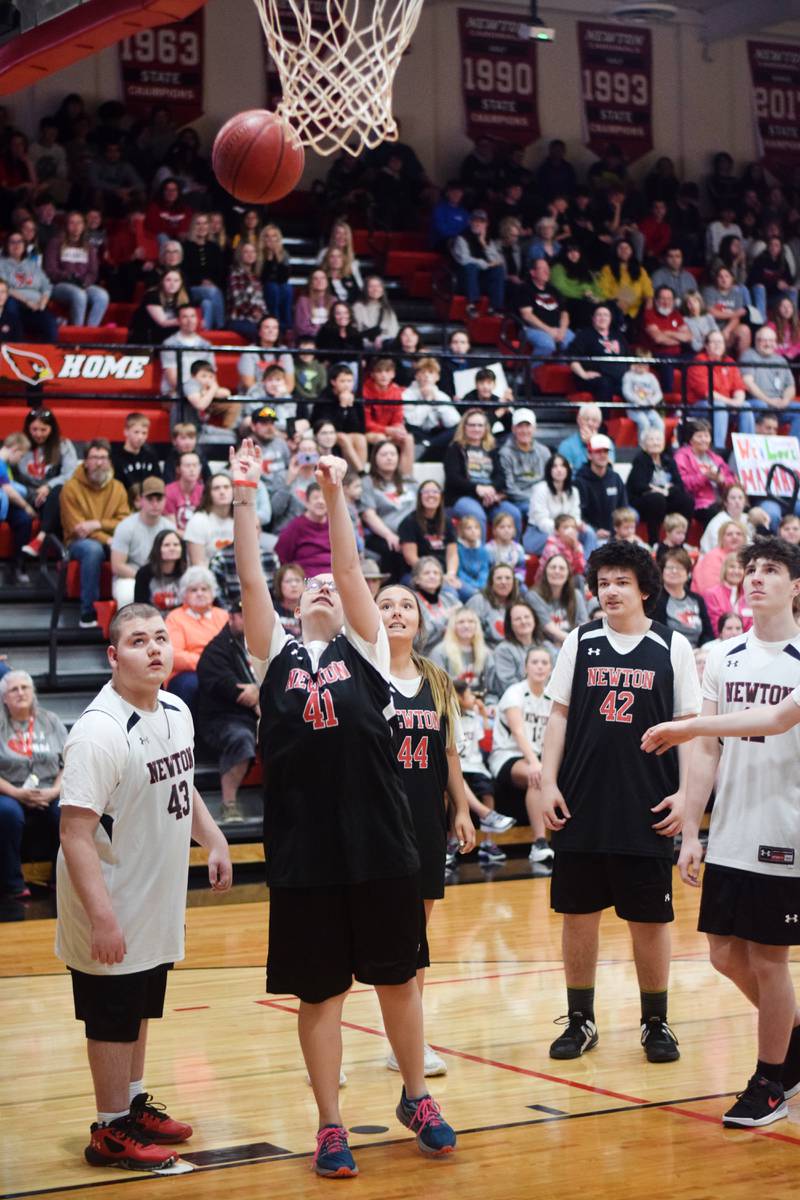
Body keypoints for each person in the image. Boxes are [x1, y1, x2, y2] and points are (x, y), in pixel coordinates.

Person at [231, 439, 460, 1175]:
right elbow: (250, 583)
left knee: (397, 976)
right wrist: (244, 497)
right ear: (295, 604)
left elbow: (352, 567)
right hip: (306, 849)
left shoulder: (365, 649)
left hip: (381, 843)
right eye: (312, 587)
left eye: (334, 585)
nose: (325, 588)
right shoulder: (276, 655)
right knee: (321, 992)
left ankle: (416, 1094)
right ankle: (331, 1124)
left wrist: (334, 493)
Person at [55, 602, 231, 1169]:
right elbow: (74, 834)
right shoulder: (98, 733)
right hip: (110, 900)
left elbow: (184, 784)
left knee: (139, 1006)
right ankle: (109, 1130)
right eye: (138, 641)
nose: (155, 648)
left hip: (156, 895)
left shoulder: (177, 708)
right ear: (113, 655)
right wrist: (102, 917)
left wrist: (214, 839)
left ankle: (131, 1105)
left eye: (160, 637)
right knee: (111, 1014)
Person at [641, 538, 800, 1127]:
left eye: (772, 571)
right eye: (751, 569)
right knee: (723, 954)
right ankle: (792, 1041)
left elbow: (778, 718)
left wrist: (689, 724)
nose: (756, 578)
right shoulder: (726, 656)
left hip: (786, 828)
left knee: (767, 957)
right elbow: (708, 748)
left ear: (796, 587)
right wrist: (690, 825)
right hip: (732, 824)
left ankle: (769, 1083)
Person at [539, 541, 701, 1064]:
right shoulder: (579, 641)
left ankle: (656, 1022)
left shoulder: (672, 646)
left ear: (645, 590)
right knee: (578, 916)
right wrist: (547, 782)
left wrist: (687, 797)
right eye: (603, 582)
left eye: (620, 582)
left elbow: (691, 732)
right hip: (581, 804)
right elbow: (558, 717)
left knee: (650, 922)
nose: (609, 591)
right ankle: (581, 1019)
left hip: (647, 806)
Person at [375, 583, 475, 1077]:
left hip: (427, 821)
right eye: (386, 605)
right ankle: (325, 1036)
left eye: (406, 605)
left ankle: (406, 1043)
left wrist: (461, 808)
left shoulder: (437, 678)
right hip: (377, 823)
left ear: (420, 619)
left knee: (417, 937)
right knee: (365, 936)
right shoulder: (363, 675)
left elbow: (450, 753)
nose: (397, 613)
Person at [0, 671, 67, 900]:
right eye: (13, 689)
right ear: (4, 698)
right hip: (9, 789)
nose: (20, 693)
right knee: (7, 812)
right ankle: (12, 885)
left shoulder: (51, 721)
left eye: (25, 688)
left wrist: (55, 791)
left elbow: (67, 764)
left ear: (33, 692)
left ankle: (62, 879)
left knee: (66, 809)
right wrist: (17, 793)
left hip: (49, 788)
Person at [489, 647, 556, 864]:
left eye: (544, 663)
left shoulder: (552, 697)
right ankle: (539, 843)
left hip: (539, 757)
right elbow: (518, 732)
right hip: (507, 756)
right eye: (534, 662)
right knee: (536, 776)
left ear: (551, 668)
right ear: (525, 667)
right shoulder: (514, 693)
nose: (539, 666)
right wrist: (537, 763)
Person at [196, 600, 259, 823]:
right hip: (222, 718)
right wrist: (258, 696)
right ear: (231, 617)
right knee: (240, 738)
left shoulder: (261, 642)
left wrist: (260, 692)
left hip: (259, 715)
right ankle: (229, 804)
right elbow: (234, 690)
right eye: (242, 615)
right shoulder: (216, 650)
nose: (248, 619)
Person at [60, 441, 130, 628]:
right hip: (77, 543)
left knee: (134, 546)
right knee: (93, 550)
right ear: (85, 461)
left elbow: (124, 521)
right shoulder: (71, 487)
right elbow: (77, 528)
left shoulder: (118, 487)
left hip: (111, 539)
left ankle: (129, 611)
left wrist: (97, 524)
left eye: (103, 458)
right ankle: (87, 612)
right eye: (94, 458)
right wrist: (106, 538)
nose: (99, 463)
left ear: (109, 461)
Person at [444, 409, 520, 539]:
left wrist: (491, 490)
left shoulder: (492, 448)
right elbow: (453, 478)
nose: (476, 429)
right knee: (477, 516)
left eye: (480, 425)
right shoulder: (455, 449)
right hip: (463, 496)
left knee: (514, 513)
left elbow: (501, 476)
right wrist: (477, 489)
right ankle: (480, 558)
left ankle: (512, 555)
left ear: (486, 428)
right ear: (464, 427)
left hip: (490, 496)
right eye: (472, 425)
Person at [164, 567, 229, 712]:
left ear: (212, 593)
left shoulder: (223, 616)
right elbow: (175, 655)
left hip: (221, 670)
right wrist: (209, 663)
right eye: (193, 590)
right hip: (186, 673)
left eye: (204, 589)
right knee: (194, 685)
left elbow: (233, 649)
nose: (199, 593)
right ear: (184, 595)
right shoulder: (175, 617)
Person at [110, 477, 173, 607]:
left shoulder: (170, 527)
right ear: (141, 500)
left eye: (159, 499)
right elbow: (117, 565)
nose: (155, 504)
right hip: (130, 577)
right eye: (150, 499)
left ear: (165, 500)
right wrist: (144, 578)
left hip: (163, 577)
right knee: (127, 594)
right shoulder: (125, 526)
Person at [360, 441, 418, 577]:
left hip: (412, 533)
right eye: (384, 454)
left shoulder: (410, 481)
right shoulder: (367, 482)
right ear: (375, 458)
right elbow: (369, 515)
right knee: (392, 548)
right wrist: (389, 535)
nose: (389, 457)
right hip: (384, 534)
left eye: (393, 454)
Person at [627, 428, 694, 545]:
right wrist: (655, 489)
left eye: (658, 439)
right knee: (657, 499)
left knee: (687, 500)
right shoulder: (640, 460)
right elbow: (638, 485)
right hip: (644, 500)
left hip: (665, 496)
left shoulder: (668, 459)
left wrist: (667, 490)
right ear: (644, 444)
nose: (655, 442)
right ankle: (654, 542)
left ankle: (682, 541)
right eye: (651, 439)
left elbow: (679, 484)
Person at [44, 210, 109, 327]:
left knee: (102, 295)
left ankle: (90, 331)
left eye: (79, 223)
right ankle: (76, 331)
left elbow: (93, 272)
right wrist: (68, 276)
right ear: (66, 225)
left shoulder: (89, 247)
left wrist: (85, 282)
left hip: (82, 284)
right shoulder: (56, 243)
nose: (76, 226)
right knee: (79, 295)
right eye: (72, 223)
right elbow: (50, 269)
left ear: (84, 226)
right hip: (60, 284)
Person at [740, 325, 800, 440]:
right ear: (756, 341)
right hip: (758, 402)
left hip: (778, 404)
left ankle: (794, 449)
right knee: (759, 405)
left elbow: (791, 386)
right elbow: (748, 382)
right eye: (764, 340)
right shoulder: (749, 355)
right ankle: (753, 447)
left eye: (771, 340)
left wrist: (785, 400)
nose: (768, 344)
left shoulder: (780, 360)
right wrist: (769, 401)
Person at [673, 419, 736, 526]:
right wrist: (705, 476)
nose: (704, 440)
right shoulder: (682, 456)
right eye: (699, 436)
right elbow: (682, 483)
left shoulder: (715, 458)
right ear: (690, 440)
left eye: (706, 436)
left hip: (722, 501)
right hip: (700, 503)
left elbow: (731, 479)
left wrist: (722, 481)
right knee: (716, 514)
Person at [0, 229, 57, 342]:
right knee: (10, 303)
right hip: (15, 305)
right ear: (7, 245)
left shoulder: (33, 265)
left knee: (50, 322)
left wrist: (43, 302)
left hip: (35, 306)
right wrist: (27, 302)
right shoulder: (2, 264)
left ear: (25, 245)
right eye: (12, 242)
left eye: (19, 242)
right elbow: (6, 288)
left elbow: (46, 286)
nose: (16, 245)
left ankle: (45, 355)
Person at [398, 480, 459, 585]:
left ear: (441, 496)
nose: (431, 495)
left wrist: (451, 574)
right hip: (417, 574)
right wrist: (432, 575)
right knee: (450, 593)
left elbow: (452, 554)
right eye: (426, 492)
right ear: (419, 496)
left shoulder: (447, 522)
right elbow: (410, 557)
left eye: (435, 491)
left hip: (443, 575)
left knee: (470, 593)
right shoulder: (409, 522)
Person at [651, 547, 714, 648]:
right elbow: (657, 635)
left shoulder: (697, 600)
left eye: (679, 567)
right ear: (662, 572)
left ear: (688, 573)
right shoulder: (655, 599)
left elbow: (708, 635)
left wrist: (701, 650)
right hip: (669, 651)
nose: (674, 571)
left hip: (697, 653)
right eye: (670, 567)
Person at [514, 258, 575, 358]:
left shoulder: (553, 290)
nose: (547, 271)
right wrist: (549, 330)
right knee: (547, 345)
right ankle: (532, 371)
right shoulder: (525, 289)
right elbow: (527, 315)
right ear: (533, 272)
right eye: (542, 269)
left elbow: (564, 313)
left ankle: (562, 370)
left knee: (573, 343)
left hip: (557, 328)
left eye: (547, 268)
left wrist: (562, 330)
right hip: (531, 329)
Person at [569, 306, 629, 407]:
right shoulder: (584, 335)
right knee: (605, 384)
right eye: (599, 315)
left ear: (610, 319)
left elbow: (629, 357)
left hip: (619, 377)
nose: (602, 318)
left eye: (606, 315)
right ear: (593, 318)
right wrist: (583, 374)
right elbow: (572, 357)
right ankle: (603, 421)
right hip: (598, 378)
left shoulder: (618, 336)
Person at [450, 209, 505, 314]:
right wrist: (484, 264)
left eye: (481, 222)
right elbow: (464, 260)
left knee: (498, 270)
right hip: (464, 279)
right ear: (470, 222)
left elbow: (498, 261)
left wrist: (483, 243)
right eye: (475, 221)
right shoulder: (461, 238)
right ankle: (471, 304)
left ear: (486, 224)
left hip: (481, 279)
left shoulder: (488, 240)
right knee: (471, 266)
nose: (478, 224)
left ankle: (495, 307)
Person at [575, 435, 628, 542]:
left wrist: (618, 531)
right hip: (590, 535)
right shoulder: (580, 481)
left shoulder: (615, 477)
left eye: (605, 451)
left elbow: (623, 508)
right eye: (598, 452)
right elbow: (578, 513)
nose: (603, 455)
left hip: (615, 533)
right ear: (589, 455)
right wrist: (594, 530)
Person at [530, 553, 588, 649]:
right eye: (553, 567)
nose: (557, 571)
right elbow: (550, 629)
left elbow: (583, 625)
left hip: (573, 645)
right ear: (545, 572)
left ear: (568, 573)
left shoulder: (576, 594)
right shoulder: (534, 596)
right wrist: (573, 643)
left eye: (561, 568)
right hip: (546, 646)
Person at [491, 599, 548, 696]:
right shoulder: (504, 650)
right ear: (510, 624)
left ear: (534, 619)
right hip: (518, 702)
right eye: (517, 619)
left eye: (527, 617)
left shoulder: (547, 646)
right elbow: (509, 687)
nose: (523, 621)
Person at [274, 482, 332, 577]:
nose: (321, 501)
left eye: (324, 498)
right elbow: (281, 557)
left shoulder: (334, 525)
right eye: (316, 498)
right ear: (306, 502)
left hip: (333, 579)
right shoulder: (296, 526)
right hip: (306, 580)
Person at [181, 213, 225, 330]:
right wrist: (201, 281)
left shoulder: (214, 247)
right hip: (192, 289)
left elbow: (220, 272)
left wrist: (211, 282)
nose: (202, 226)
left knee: (207, 304)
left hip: (211, 288)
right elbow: (184, 273)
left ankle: (207, 334)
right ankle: (221, 326)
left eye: (205, 223)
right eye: (198, 223)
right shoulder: (186, 247)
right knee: (213, 292)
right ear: (193, 226)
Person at [183, 474, 234, 568]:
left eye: (226, 487)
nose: (222, 492)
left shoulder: (240, 520)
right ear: (209, 494)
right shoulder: (198, 521)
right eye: (216, 488)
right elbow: (198, 566)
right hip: (207, 579)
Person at [133, 528, 186, 612]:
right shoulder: (144, 573)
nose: (172, 548)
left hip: (180, 621)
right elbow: (140, 607)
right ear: (157, 549)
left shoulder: (187, 572)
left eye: (176, 545)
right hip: (153, 620)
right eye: (166, 545)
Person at [703, 551, 753, 636]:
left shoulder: (749, 594)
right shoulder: (712, 594)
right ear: (725, 569)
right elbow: (717, 628)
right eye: (732, 567)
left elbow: (752, 625)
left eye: (740, 567)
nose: (736, 571)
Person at [111, 413, 161, 494]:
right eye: (136, 432)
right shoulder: (115, 458)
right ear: (126, 432)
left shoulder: (150, 457)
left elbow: (158, 483)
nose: (140, 437)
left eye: (144, 433)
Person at [621, 354, 664, 439]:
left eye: (645, 364)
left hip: (649, 408)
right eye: (640, 364)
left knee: (659, 423)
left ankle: (659, 446)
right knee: (645, 423)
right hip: (634, 408)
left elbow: (659, 393)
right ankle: (643, 448)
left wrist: (652, 401)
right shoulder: (628, 375)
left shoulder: (651, 377)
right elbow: (626, 392)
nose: (642, 366)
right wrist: (636, 401)